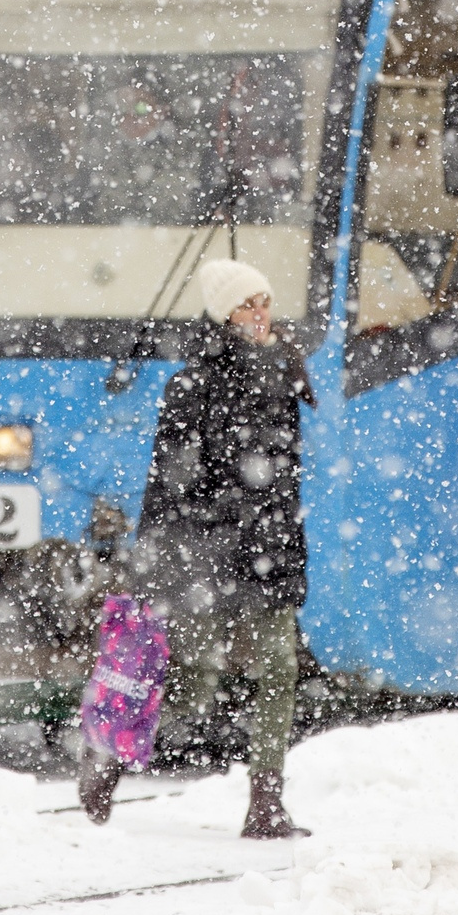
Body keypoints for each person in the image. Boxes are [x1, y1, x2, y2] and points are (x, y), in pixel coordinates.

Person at [85, 257, 315, 839]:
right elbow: (169, 484)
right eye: (247, 304)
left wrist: (283, 545)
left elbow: (283, 481)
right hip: (205, 553)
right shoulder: (190, 386)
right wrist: (157, 562)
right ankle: (107, 762)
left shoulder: (285, 374)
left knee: (279, 669)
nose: (260, 314)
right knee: (192, 681)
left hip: (267, 549)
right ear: (222, 315)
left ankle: (266, 804)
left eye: (265, 301)